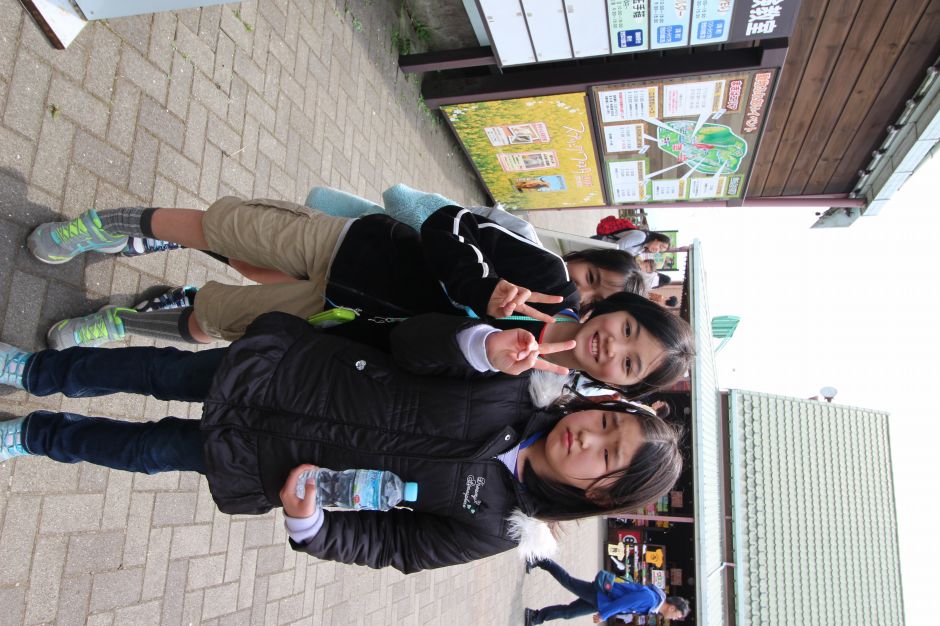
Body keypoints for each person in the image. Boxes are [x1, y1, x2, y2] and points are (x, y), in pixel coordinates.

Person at [0, 311, 684, 574]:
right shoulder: (515, 382)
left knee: (150, 451)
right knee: (157, 372)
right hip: (291, 376)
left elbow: (393, 548)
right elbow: (408, 343)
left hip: (270, 463)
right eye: (606, 423)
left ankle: (33, 435)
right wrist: (479, 344)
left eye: (606, 455)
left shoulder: (496, 527)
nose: (587, 437)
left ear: (600, 495)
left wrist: (312, 525)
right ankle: (35, 371)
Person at [27, 196, 644, 349]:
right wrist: (480, 288)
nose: (611, 347)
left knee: (213, 321)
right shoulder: (547, 272)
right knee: (225, 229)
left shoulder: (532, 379)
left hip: (342, 317)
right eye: (627, 332)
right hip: (353, 247)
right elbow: (448, 222)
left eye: (629, 364)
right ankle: (101, 227)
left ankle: (120, 322)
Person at [524, 559, 690, 624]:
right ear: (672, 607)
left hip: (602, 601)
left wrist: (604, 612)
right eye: (678, 615)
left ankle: (536, 617)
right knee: (568, 581)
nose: (675, 618)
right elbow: (624, 603)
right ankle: (539, 559)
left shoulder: (653, 606)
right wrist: (604, 615)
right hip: (601, 595)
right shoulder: (651, 600)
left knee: (569, 612)